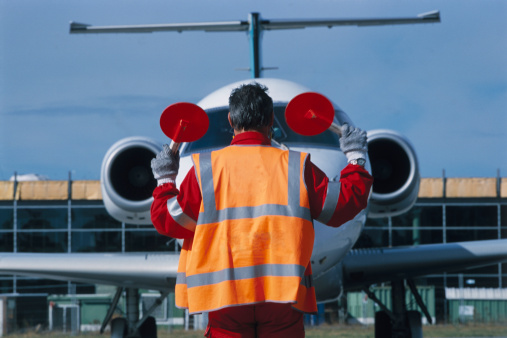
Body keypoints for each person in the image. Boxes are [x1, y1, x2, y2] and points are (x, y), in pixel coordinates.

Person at [150, 83, 373, 337]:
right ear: (271, 120)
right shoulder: (297, 167)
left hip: (225, 298)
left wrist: (165, 180)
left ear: (230, 120)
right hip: (282, 295)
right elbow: (343, 206)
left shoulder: (204, 169)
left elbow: (168, 221)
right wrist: (356, 157)